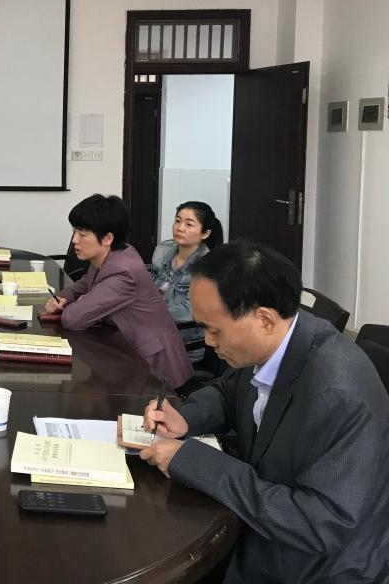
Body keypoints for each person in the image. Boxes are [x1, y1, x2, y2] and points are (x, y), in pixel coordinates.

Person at [140, 240, 389, 583]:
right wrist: (186, 418)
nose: (208, 341)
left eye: (214, 330)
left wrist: (194, 461)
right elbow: (230, 392)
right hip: (257, 526)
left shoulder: (337, 395)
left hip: (313, 567)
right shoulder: (277, 341)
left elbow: (320, 524)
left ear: (264, 319)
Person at [41, 194, 192, 387]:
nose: (74, 240)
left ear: (107, 238)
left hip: (154, 367)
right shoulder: (113, 254)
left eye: (82, 235)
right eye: (74, 232)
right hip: (126, 352)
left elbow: (72, 319)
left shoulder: (124, 272)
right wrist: (63, 297)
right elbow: (86, 282)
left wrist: (73, 305)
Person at [149, 201, 224, 360]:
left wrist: (148, 313)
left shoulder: (208, 265)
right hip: (153, 332)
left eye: (189, 224)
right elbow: (149, 286)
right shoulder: (162, 250)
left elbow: (191, 310)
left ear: (205, 234)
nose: (180, 228)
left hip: (185, 342)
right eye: (177, 221)